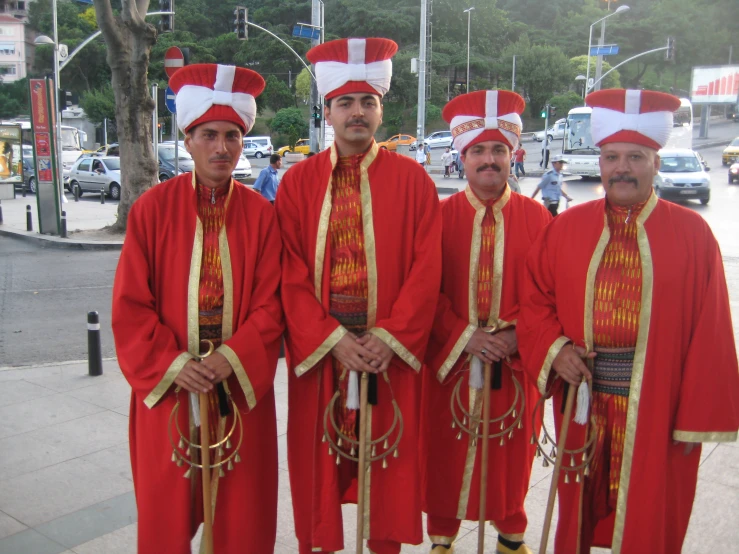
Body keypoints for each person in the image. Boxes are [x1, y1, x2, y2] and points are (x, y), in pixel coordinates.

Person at [517, 89, 739, 554]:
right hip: (584, 399)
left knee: (648, 519)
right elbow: (535, 301)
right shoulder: (564, 229)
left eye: (635, 157)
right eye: (612, 156)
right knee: (578, 511)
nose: (622, 167)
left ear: (655, 162)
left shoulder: (694, 234)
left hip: (659, 402)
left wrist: (693, 416)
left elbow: (712, 333)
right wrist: (556, 351)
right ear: (599, 162)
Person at [276, 38, 442, 554]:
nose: (357, 112)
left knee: (387, 474)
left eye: (367, 101)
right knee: (318, 473)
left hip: (387, 354)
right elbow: (289, 272)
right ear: (326, 111)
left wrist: (388, 339)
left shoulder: (414, 181)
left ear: (381, 109)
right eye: (345, 102)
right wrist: (331, 339)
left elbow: (426, 269)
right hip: (324, 354)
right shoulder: (296, 183)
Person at [112, 64, 283, 553]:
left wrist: (231, 358)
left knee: (241, 514)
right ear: (187, 140)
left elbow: (273, 305)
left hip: (238, 383)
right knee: (166, 512)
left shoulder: (261, 215)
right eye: (209, 134)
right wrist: (175, 364)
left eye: (232, 135)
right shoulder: (151, 210)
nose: (222, 147)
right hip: (170, 385)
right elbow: (130, 304)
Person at [421, 90, 551, 554]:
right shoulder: (436, 218)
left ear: (513, 154)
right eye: (478, 150)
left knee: (512, 457)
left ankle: (511, 540)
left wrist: (516, 334)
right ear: (462, 156)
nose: (489, 159)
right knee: (445, 456)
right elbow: (422, 293)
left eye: (498, 150)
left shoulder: (540, 220)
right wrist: (464, 335)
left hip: (514, 365)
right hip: (450, 364)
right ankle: (442, 542)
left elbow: (551, 295)